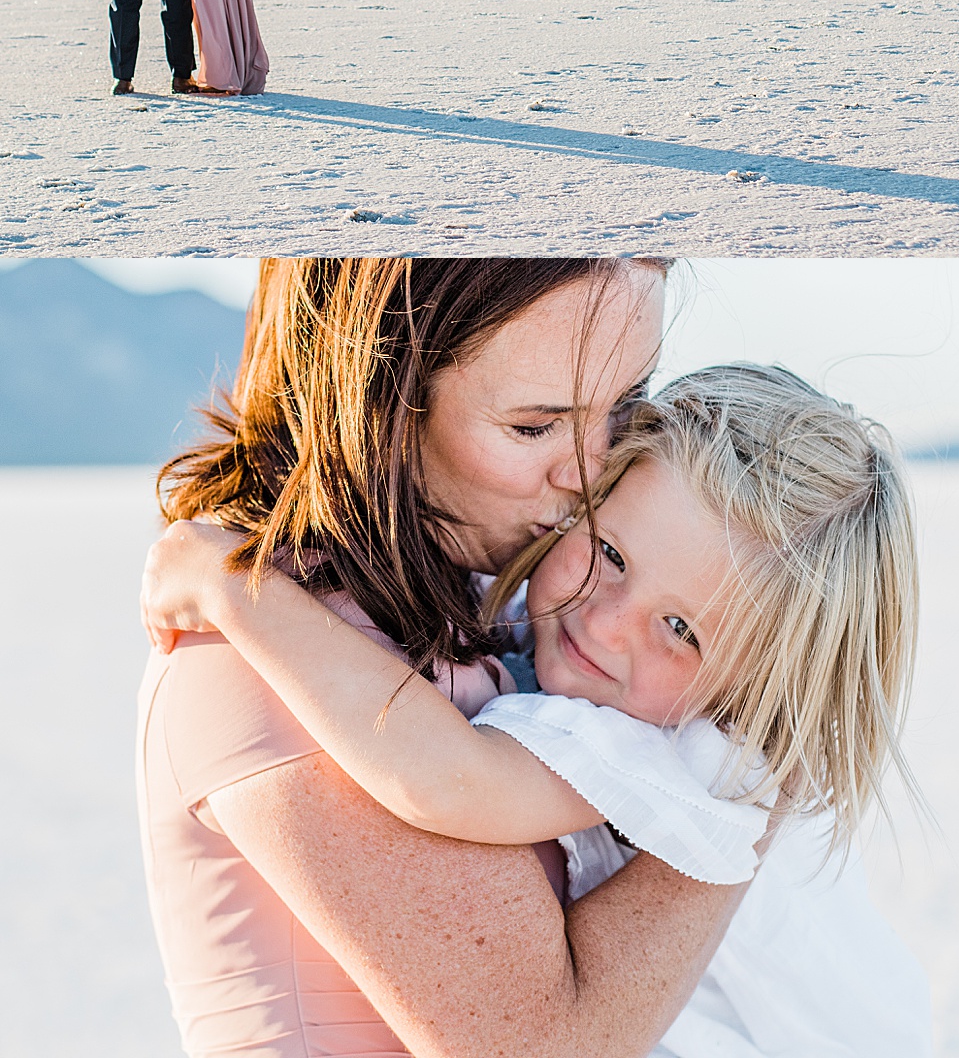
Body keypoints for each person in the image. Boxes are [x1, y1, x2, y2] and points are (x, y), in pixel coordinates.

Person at [142, 363, 931, 1058]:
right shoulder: (603, 668)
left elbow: (447, 780)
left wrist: (232, 589)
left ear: (756, 690)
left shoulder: (682, 755)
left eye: (682, 631)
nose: (606, 622)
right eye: (613, 553)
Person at [134, 257, 765, 1058]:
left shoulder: (491, 596)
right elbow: (542, 1046)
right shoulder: (268, 649)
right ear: (379, 395)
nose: (593, 469)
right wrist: (745, 790)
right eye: (534, 426)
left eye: (625, 404)